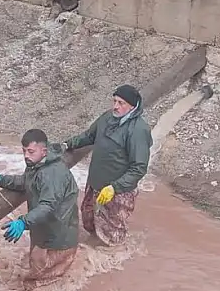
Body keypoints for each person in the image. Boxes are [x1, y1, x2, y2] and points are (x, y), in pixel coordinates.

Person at [0, 128, 79, 290]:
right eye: (24, 151)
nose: (26, 155)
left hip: (59, 236)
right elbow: (26, 182)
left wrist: (23, 222)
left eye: (30, 151)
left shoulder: (52, 174)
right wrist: (2, 180)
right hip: (46, 230)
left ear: (44, 151)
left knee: (38, 283)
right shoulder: (36, 165)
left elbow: (48, 206)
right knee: (38, 269)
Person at [62, 84, 152, 246]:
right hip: (95, 183)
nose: (116, 106)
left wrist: (114, 188)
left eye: (121, 103)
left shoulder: (138, 130)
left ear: (132, 106)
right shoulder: (107, 118)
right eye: (114, 101)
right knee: (88, 220)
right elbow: (89, 136)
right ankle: (91, 247)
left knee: (111, 236)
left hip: (118, 191)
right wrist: (67, 144)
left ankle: (110, 261)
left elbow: (139, 167)